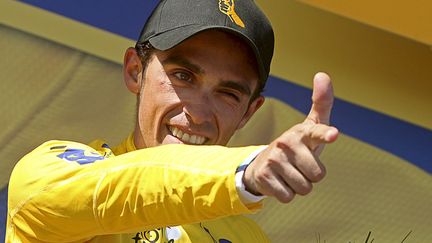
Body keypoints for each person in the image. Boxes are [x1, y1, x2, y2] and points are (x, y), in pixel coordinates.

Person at [6, 0, 338, 242]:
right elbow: (124, 189)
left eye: (228, 94)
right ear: (136, 71)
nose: (198, 111)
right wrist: (244, 172)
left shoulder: (248, 238)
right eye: (183, 76)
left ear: (248, 113)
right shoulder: (49, 173)